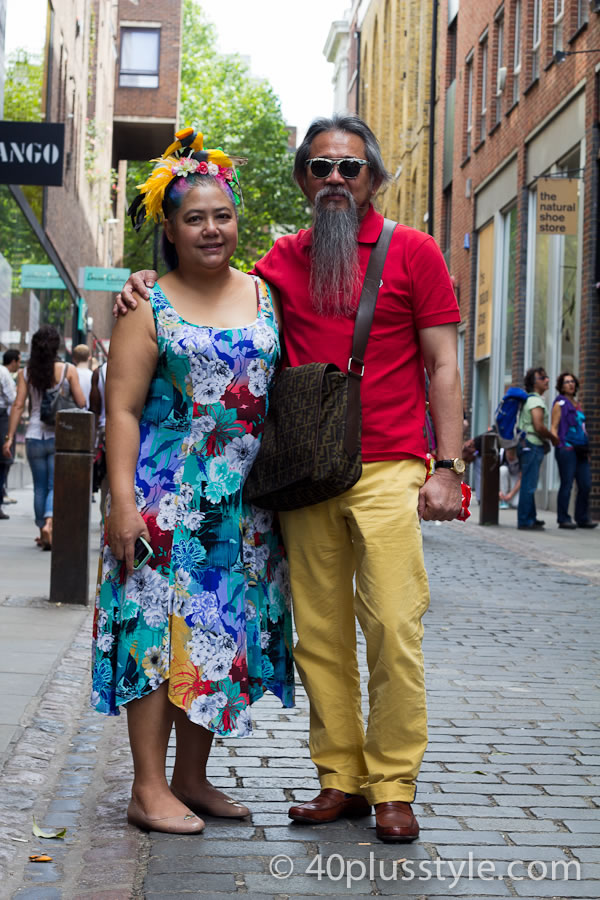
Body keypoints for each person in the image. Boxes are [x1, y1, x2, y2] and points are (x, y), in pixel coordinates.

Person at [118, 114, 464, 843]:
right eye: (319, 169)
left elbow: (443, 363)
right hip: (304, 477)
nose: (334, 181)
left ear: (373, 176)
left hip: (390, 467)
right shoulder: (279, 264)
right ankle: (339, 778)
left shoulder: (416, 252)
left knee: (395, 625)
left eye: (350, 169)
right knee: (321, 638)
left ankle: (394, 782)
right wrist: (141, 278)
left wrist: (450, 465)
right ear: (303, 180)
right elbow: (200, 284)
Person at [92, 130, 294, 836]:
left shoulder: (268, 294)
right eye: (194, 218)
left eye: (222, 215)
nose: (212, 229)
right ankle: (148, 789)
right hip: (162, 499)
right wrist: (122, 506)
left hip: (241, 506)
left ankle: (191, 778)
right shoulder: (147, 307)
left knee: (213, 636)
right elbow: (119, 409)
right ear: (171, 232)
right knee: (154, 636)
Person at [2, 327, 85, 548]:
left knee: (39, 486)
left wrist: (9, 437)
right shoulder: (68, 370)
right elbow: (82, 403)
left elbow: (18, 405)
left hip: (33, 437)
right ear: (56, 346)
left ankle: (42, 530)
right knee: (54, 484)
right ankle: (50, 523)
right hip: (60, 435)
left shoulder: (26, 373)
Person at [550, 372, 597, 530]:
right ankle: (563, 518)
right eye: (566, 382)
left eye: (572, 382)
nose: (570, 384)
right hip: (567, 448)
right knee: (567, 484)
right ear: (561, 386)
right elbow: (554, 427)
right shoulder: (560, 404)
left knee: (586, 484)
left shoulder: (577, 404)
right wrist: (559, 444)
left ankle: (582, 517)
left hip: (581, 449)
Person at [516, 367, 558, 531]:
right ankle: (525, 521)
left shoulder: (530, 400)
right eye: (543, 378)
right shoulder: (535, 401)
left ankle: (530, 517)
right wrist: (553, 438)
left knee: (529, 481)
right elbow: (539, 426)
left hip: (527, 444)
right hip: (532, 445)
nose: (547, 380)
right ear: (534, 383)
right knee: (529, 483)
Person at [0, 349, 20, 519]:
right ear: (13, 361)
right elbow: (12, 399)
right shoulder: (4, 373)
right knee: (3, 461)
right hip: (2, 419)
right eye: (19, 361)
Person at [72, 343, 93, 408]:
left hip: (72, 413)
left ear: (74, 359)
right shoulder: (93, 376)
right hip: (90, 414)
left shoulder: (70, 376)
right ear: (89, 357)